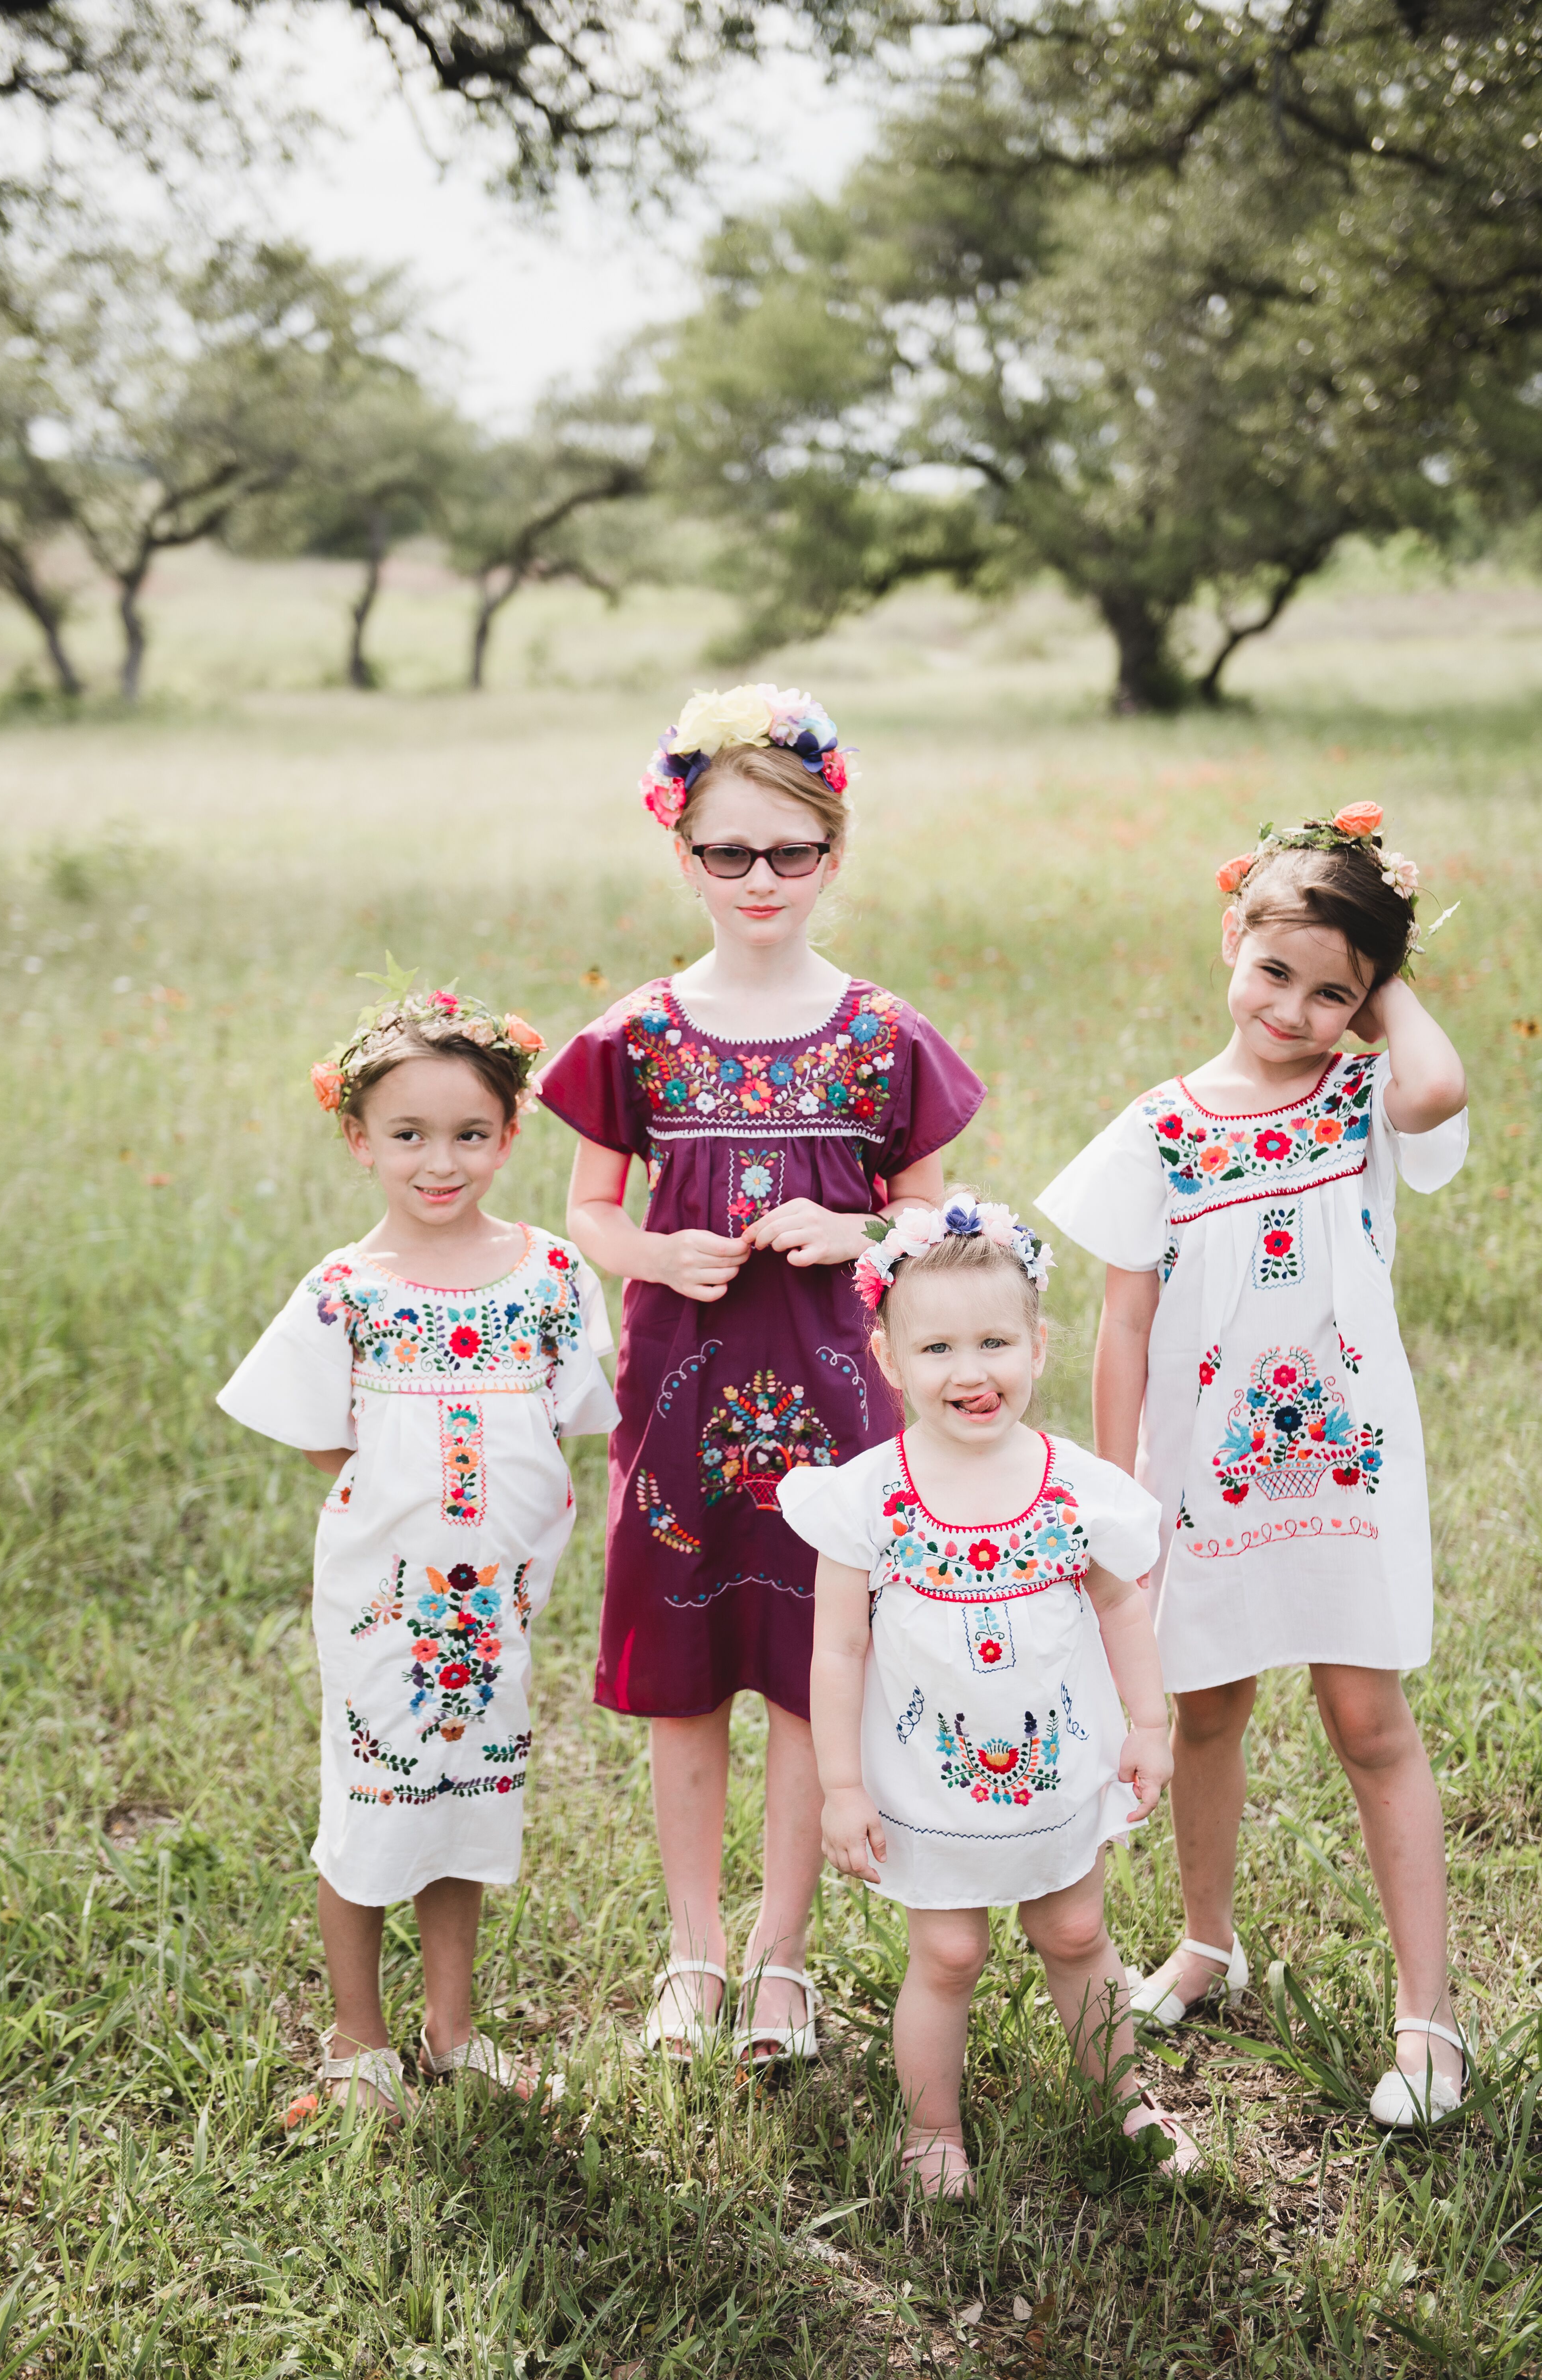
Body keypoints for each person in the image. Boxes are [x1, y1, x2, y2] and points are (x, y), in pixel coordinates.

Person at [537, 685, 984, 2065]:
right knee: (685, 1682)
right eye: (728, 853)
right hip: (680, 1400)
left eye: (789, 852)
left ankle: (781, 1962)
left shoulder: (881, 1033)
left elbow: (935, 1223)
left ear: (833, 853)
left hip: (837, 1407)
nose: (760, 881)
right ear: (682, 851)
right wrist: (656, 1254)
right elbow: (589, 1215)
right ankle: (692, 1952)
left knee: (809, 1673)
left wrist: (857, 1230)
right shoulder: (643, 1031)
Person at [1037, 805, 1469, 2126]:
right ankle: (1208, 1942)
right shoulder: (1157, 1129)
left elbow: (1440, 1087)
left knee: (1366, 1723)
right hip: (1198, 1485)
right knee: (1207, 1711)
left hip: (1340, 1480)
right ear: (1231, 939)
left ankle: (1430, 2019)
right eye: (1275, 969)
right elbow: (1122, 1321)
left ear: (1369, 1001)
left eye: (1333, 991)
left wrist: (1380, 982)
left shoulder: (1360, 1101)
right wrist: (1113, 1498)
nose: (1294, 1007)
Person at [218, 967, 618, 2120]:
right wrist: (407, 1517)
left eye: (467, 1134)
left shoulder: (547, 1271)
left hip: (497, 1605)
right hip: (384, 1601)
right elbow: (316, 1439)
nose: (438, 1161)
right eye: (408, 1135)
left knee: (464, 1799)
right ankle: (357, 2046)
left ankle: (452, 2031)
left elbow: (567, 1419)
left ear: (508, 1135)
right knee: (372, 1792)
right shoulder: (348, 1288)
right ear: (358, 1140)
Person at [781, 1194, 1196, 2197]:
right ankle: (932, 2130)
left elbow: (1121, 1610)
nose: (970, 1374)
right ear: (887, 1358)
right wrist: (841, 1790)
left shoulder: (1070, 1486)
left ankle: (1125, 2097)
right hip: (929, 1781)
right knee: (951, 1950)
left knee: (1076, 1932)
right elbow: (837, 1652)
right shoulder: (870, 1496)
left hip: (1055, 1766)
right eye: (937, 1351)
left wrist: (1149, 1724)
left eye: (994, 1342)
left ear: (1038, 1345)